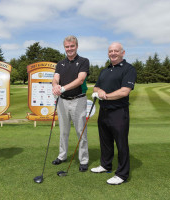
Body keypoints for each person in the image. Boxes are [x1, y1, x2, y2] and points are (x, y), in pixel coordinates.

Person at [91, 42, 137, 185]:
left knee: (121, 143)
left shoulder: (129, 69)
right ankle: (106, 165)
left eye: (116, 51)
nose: (113, 53)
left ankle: (122, 174)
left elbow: (125, 91)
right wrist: (99, 92)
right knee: (105, 141)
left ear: (123, 53)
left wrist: (105, 96)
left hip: (118, 111)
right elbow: (96, 87)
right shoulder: (105, 70)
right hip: (104, 111)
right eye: (110, 51)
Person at [52, 35, 90, 172]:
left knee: (80, 131)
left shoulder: (83, 61)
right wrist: (56, 86)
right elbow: (55, 79)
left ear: (77, 46)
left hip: (78, 100)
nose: (69, 49)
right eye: (67, 47)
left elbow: (80, 80)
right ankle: (62, 156)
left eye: (72, 46)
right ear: (64, 48)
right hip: (62, 101)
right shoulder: (60, 63)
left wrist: (63, 88)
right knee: (63, 131)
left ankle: (84, 159)